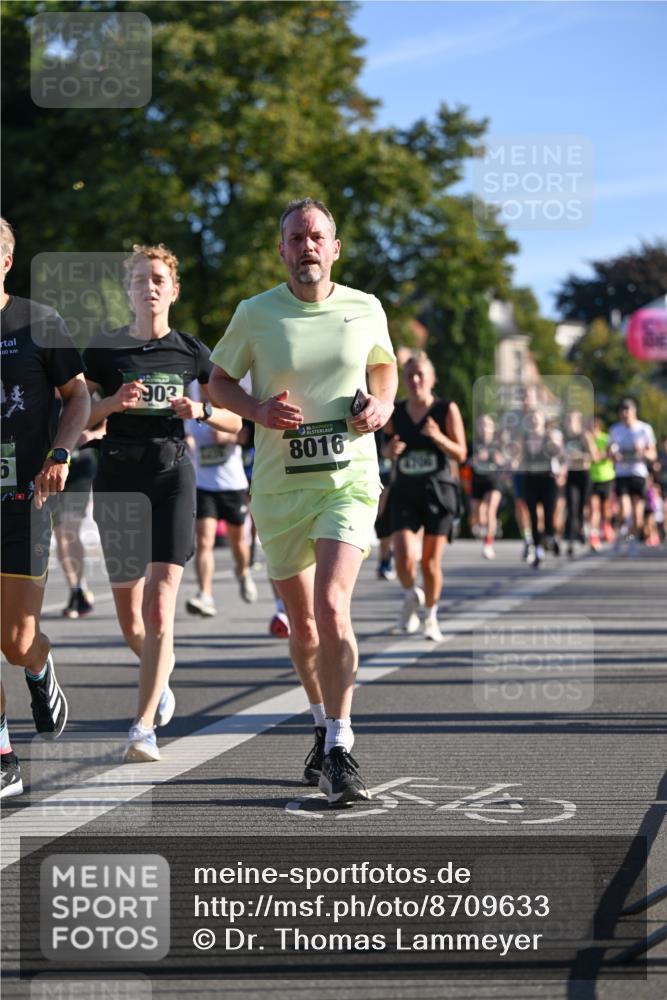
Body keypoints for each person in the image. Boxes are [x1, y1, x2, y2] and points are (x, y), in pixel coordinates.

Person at [208, 198, 397, 806]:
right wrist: (258, 410)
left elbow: (384, 368)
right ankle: (320, 723)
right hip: (279, 487)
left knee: (333, 604)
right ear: (283, 250)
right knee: (304, 624)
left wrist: (382, 405)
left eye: (317, 236)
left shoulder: (364, 308)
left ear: (334, 248)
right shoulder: (255, 313)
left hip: (347, 479)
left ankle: (341, 745)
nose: (307, 246)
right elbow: (217, 382)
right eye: (296, 238)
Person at [84, 244, 240, 763]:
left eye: (158, 279)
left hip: (172, 478)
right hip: (118, 482)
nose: (148, 287)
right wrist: (111, 403)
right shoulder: (103, 352)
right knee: (131, 619)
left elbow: (237, 421)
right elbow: (78, 418)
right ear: (128, 291)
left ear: (172, 290)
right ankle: (162, 676)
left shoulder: (192, 352)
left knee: (159, 604)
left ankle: (142, 726)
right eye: (139, 280)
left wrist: (201, 408)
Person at [0, 216, 90, 798]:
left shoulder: (37, 323)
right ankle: (4, 759)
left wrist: (60, 451)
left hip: (23, 499)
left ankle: (37, 664)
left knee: (12, 637)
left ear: (5, 260)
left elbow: (79, 395)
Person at [382, 351, 466, 641]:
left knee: (430, 563)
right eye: (409, 375)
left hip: (438, 492)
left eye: (420, 374)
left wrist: (438, 436)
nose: (415, 380)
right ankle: (410, 595)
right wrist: (387, 452)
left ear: (432, 379)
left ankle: (430, 616)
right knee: (404, 557)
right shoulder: (396, 411)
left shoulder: (445, 409)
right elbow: (383, 445)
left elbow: (461, 452)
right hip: (405, 490)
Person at [184, 380, 256, 617]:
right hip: (203, 485)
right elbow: (187, 435)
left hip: (232, 485)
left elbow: (245, 435)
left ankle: (243, 572)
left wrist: (229, 439)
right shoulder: (190, 406)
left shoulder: (228, 402)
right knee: (204, 541)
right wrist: (188, 443)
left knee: (239, 543)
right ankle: (205, 594)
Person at [53, 429, 101, 618]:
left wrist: (93, 434)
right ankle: (75, 588)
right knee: (59, 535)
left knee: (70, 530)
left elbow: (108, 422)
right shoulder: (41, 399)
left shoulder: (85, 398)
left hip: (80, 467)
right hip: (51, 467)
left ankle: (80, 587)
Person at [609, 398, 657, 554]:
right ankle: (618, 534)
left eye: (627, 410)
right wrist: (614, 455)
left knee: (637, 515)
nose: (625, 413)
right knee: (624, 508)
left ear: (634, 411)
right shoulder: (615, 430)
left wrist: (642, 452)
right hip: (622, 473)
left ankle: (631, 539)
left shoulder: (644, 429)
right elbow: (609, 453)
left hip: (638, 473)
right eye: (622, 410)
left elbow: (653, 454)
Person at [520, 408, 563, 568]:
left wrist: (553, 442)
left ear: (543, 421)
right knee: (532, 515)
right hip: (530, 479)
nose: (533, 421)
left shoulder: (550, 437)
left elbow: (560, 454)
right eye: (531, 418)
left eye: (536, 418)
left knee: (548, 513)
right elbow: (518, 456)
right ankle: (537, 549)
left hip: (547, 479)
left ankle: (551, 537)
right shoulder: (524, 438)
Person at [470, 413, 504, 560]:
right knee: (477, 515)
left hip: (494, 480)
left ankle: (488, 544)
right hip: (477, 480)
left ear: (493, 428)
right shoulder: (473, 443)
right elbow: (464, 461)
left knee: (491, 510)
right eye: (481, 425)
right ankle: (486, 527)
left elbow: (506, 460)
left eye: (488, 425)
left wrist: (499, 458)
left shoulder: (498, 444)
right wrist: (476, 459)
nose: (484, 428)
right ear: (477, 428)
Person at [562, 410, 594, 558]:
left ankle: (583, 529)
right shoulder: (564, 437)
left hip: (583, 474)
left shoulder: (584, 436)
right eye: (568, 420)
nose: (570, 423)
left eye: (572, 420)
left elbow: (594, 456)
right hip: (570, 475)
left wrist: (579, 457)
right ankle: (570, 540)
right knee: (572, 507)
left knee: (582, 506)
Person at [588, 415, 616, 550]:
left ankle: (606, 525)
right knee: (593, 508)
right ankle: (593, 535)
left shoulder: (606, 438)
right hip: (592, 478)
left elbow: (609, 456)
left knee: (605, 508)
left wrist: (598, 454)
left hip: (606, 477)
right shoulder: (586, 440)